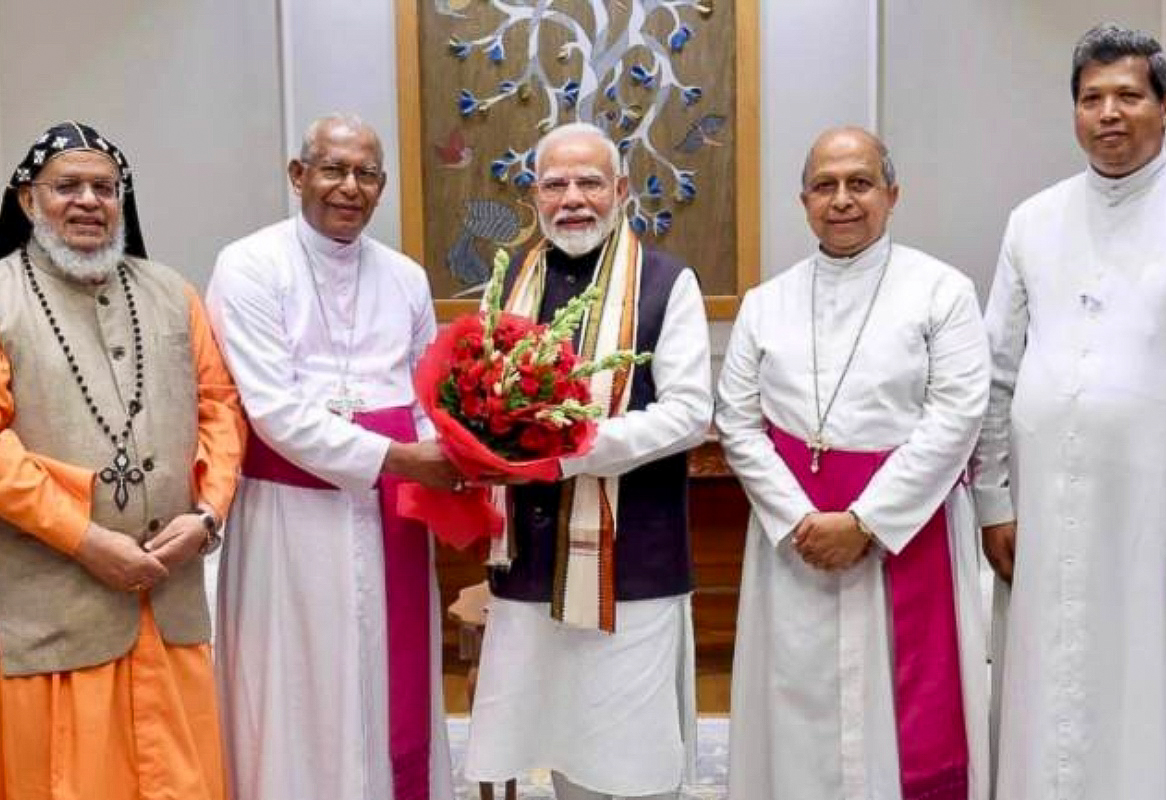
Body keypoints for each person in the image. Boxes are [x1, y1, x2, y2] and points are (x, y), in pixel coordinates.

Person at [716, 127, 991, 800]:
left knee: (902, 723)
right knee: (794, 702)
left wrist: (865, 521)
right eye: (825, 185)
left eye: (859, 183)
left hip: (906, 533)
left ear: (892, 195)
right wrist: (800, 519)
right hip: (796, 544)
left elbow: (957, 415)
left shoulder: (942, 291)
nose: (842, 200)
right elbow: (737, 421)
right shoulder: (766, 303)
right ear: (803, 199)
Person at [973, 24, 1166, 800]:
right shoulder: (1033, 219)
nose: (1109, 113)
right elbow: (995, 373)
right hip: (1043, 512)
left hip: (1164, 514)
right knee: (1047, 687)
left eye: (1129, 96)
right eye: (1091, 97)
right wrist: (994, 500)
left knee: (1151, 685)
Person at [206, 113, 460, 800]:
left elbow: (420, 394)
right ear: (298, 176)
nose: (349, 187)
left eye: (366, 174)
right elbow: (274, 411)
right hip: (290, 520)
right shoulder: (249, 264)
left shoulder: (404, 277)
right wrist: (404, 460)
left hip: (393, 520)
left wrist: (455, 451)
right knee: (300, 688)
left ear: (381, 186)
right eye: (333, 169)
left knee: (385, 678)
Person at [463, 122, 713, 800]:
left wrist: (567, 452)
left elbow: (690, 412)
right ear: (534, 197)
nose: (573, 198)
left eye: (590, 182)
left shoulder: (667, 282)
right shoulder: (508, 282)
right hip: (526, 569)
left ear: (622, 191)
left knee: (629, 758)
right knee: (558, 745)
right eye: (555, 184)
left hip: (633, 565)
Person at [0, 121, 245, 798]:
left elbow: (221, 408)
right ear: (27, 201)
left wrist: (206, 513)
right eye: (66, 186)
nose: (88, 201)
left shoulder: (172, 290)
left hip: (168, 601)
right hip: (52, 614)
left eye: (104, 187)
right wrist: (85, 539)